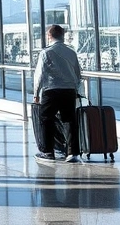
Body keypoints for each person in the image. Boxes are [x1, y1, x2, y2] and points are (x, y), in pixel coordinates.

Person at [33, 24, 83, 162]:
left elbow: (40, 75)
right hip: (69, 91)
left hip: (51, 90)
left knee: (46, 119)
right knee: (69, 120)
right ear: (62, 36)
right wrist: (76, 88)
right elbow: (78, 73)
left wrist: (36, 93)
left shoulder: (46, 53)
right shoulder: (71, 52)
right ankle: (73, 153)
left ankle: (48, 152)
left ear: (49, 36)